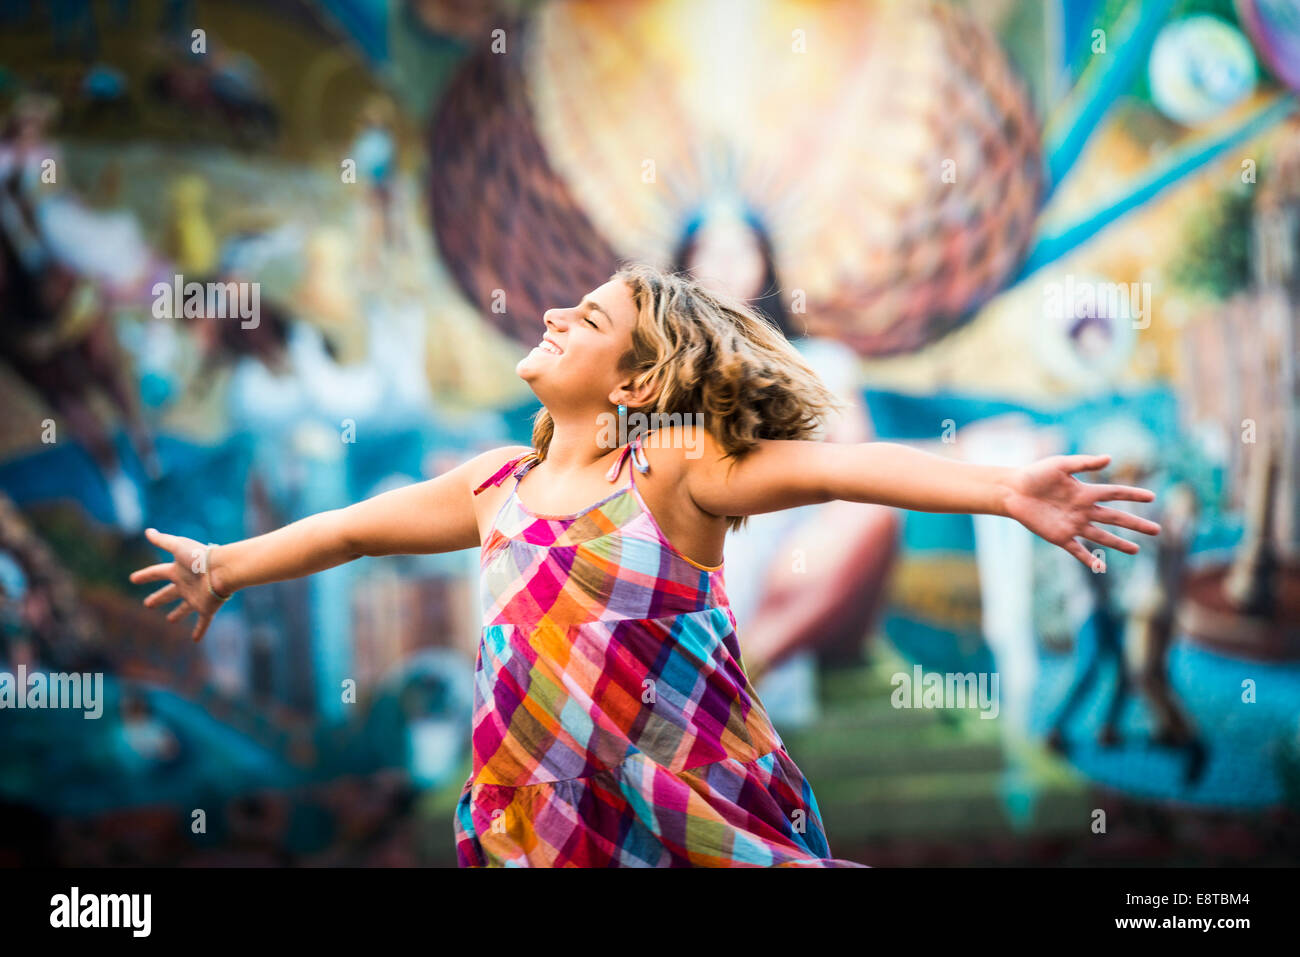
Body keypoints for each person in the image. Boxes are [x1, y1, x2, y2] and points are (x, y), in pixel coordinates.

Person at [129, 262, 1161, 867]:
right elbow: (353, 530)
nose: (551, 315)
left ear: (634, 384)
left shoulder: (669, 471)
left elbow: (840, 468)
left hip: (685, 803)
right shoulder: (494, 486)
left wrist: (1003, 490)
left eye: (586, 320)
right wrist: (226, 565)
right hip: (539, 813)